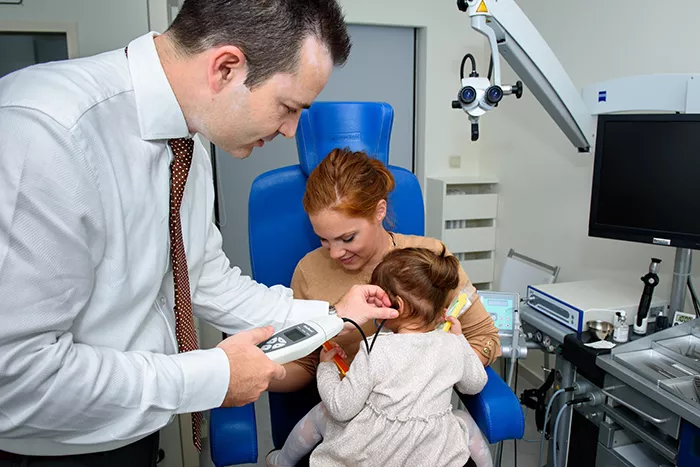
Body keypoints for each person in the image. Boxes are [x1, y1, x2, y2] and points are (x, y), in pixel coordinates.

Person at [0, 1, 399, 465]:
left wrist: (334, 315)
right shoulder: (48, 131)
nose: (292, 131)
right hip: (46, 450)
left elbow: (203, 280)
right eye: (288, 108)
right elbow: (15, 374)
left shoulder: (187, 144)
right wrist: (212, 376)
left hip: (129, 433)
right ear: (226, 68)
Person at [268, 148, 501, 395]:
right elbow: (306, 362)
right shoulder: (309, 271)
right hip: (348, 405)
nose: (335, 253)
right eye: (324, 239)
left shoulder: (430, 259)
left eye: (348, 238)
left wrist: (425, 382)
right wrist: (261, 373)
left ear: (379, 211)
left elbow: (484, 337)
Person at [269, 247, 493, 467]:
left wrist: (326, 368)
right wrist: (460, 340)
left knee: (323, 412)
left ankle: (281, 461)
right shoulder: (452, 344)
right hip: (432, 455)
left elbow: (341, 408)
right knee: (462, 421)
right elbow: (474, 384)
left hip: (375, 454)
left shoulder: (375, 347)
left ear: (399, 306)